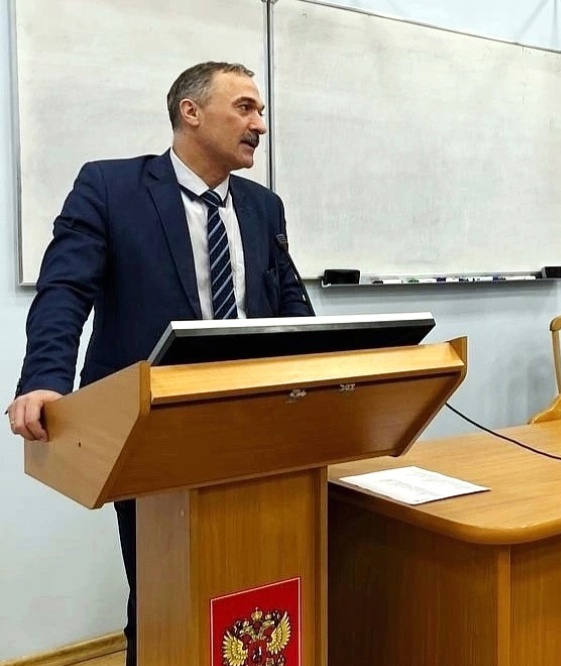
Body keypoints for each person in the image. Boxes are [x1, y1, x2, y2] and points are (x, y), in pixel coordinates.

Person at [6, 61, 313, 666]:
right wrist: (44, 379)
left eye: (260, 110)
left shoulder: (263, 206)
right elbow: (65, 289)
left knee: (255, 581)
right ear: (190, 112)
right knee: (160, 590)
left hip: (256, 421)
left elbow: (288, 302)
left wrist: (330, 366)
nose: (260, 124)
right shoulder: (110, 187)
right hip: (151, 423)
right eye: (245, 108)